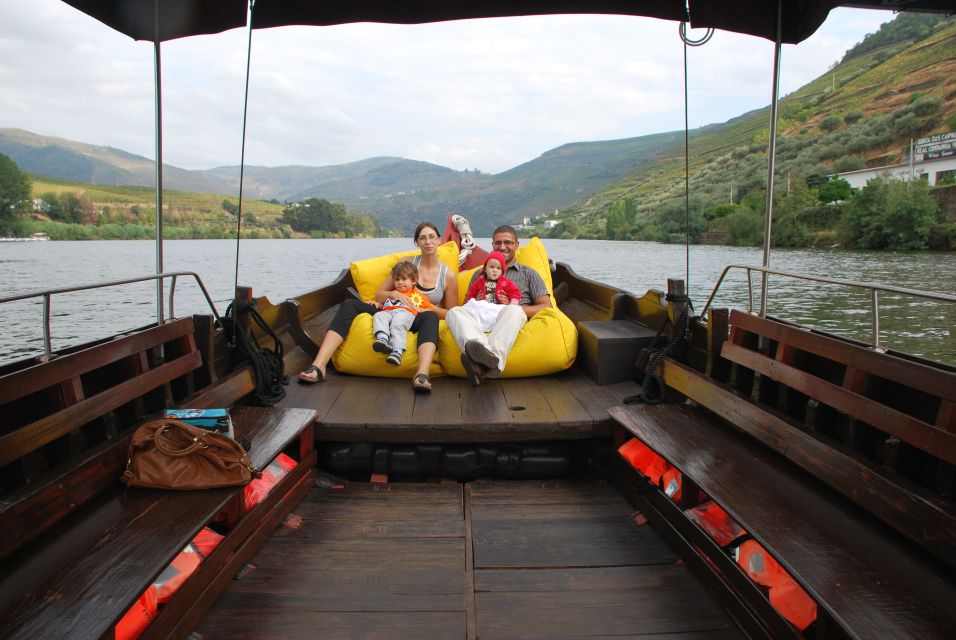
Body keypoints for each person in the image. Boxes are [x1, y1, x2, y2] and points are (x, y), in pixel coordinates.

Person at [298, 221, 458, 392]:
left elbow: (452, 313)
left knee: (431, 317)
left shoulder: (447, 276)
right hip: (391, 309)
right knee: (350, 304)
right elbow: (379, 294)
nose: (428, 242)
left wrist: (427, 309)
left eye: (432, 237)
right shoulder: (407, 263)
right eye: (423, 238)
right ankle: (319, 365)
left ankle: (421, 375)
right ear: (416, 243)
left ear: (439, 240)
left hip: (418, 316)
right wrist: (393, 294)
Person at [446, 225, 551, 386]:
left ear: (517, 245)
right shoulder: (479, 274)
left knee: (514, 311)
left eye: (508, 242)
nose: (502, 247)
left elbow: (546, 307)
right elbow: (466, 306)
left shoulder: (528, 274)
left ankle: (485, 359)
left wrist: (512, 306)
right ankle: (485, 360)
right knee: (454, 312)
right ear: (492, 245)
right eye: (498, 243)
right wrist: (476, 300)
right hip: (480, 321)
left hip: (507, 320)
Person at [372, 261, 435, 366]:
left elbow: (431, 311)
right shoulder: (392, 294)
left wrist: (418, 309)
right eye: (397, 280)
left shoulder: (417, 296)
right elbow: (386, 305)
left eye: (404, 279)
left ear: (414, 281)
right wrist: (377, 304)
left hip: (405, 314)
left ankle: (397, 351)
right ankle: (382, 339)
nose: (400, 282)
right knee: (379, 315)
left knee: (398, 322)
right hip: (389, 312)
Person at [458, 251, 520, 332]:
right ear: (485, 269)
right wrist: (472, 302)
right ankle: (476, 325)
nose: (495, 270)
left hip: (497, 307)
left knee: (506, 311)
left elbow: (515, 292)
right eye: (492, 267)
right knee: (471, 308)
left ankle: (492, 326)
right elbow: (472, 293)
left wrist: (513, 303)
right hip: (484, 306)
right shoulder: (480, 281)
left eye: (498, 268)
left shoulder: (505, 282)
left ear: (502, 271)